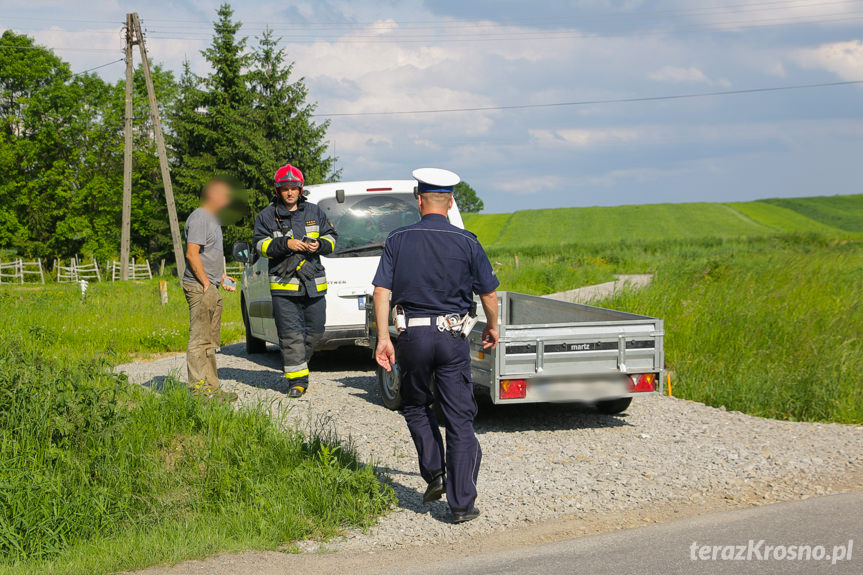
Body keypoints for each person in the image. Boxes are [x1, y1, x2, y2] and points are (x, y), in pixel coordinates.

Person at [372, 168, 499, 524]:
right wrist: (493, 326)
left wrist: (384, 338)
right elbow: (488, 292)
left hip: (412, 337)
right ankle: (460, 505)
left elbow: (381, 291)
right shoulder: (468, 241)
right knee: (459, 418)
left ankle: (435, 473)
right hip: (451, 337)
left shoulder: (398, 239)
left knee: (415, 405)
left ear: (419, 200)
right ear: (452, 201)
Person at [253, 164, 337, 398]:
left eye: (294, 188)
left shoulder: (314, 211)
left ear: (301, 189)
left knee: (316, 331)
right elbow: (260, 246)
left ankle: (299, 363)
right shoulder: (266, 216)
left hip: (313, 285)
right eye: (285, 188)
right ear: (277, 190)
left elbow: (332, 239)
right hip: (284, 286)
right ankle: (297, 382)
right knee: (290, 336)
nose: (289, 192)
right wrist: (285, 244)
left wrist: (319, 244)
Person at [182, 179, 238, 402]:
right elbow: (192, 253)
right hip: (199, 287)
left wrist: (221, 278)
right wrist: (206, 283)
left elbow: (207, 255)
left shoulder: (212, 220)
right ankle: (198, 392)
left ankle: (212, 389)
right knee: (199, 340)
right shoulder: (200, 217)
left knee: (210, 341)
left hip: (210, 285)